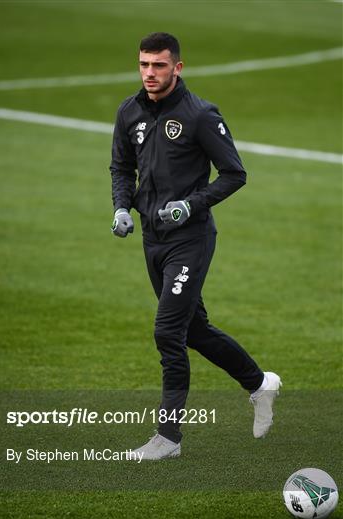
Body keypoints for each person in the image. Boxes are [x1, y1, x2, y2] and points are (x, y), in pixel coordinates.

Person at [110, 32, 281, 460]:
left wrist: (191, 205)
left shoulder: (200, 115)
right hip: (152, 240)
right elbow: (121, 165)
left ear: (178, 68)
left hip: (191, 239)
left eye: (159, 65)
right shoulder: (129, 112)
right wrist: (121, 208)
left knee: (168, 332)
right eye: (144, 65)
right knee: (194, 330)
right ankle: (260, 384)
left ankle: (167, 439)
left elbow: (234, 173)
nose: (150, 73)